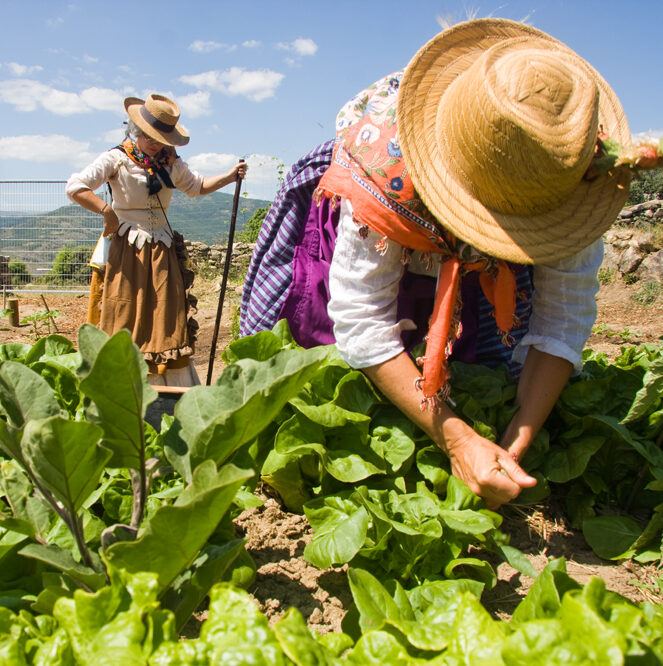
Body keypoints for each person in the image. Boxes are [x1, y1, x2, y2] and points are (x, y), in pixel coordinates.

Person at [240, 18, 663, 509]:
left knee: (478, 365)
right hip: (385, 215)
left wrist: (517, 437)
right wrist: (459, 442)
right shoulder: (384, 167)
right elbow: (361, 318)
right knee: (327, 362)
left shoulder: (565, 172)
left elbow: (561, 319)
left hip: (477, 240)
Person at [66, 94, 247, 386]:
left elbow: (197, 186)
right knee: (124, 310)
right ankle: (123, 381)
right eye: (151, 137)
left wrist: (229, 177)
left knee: (165, 314)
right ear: (136, 131)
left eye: (162, 138)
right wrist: (105, 210)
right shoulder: (117, 158)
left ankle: (168, 387)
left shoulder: (171, 163)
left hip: (162, 249)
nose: (156, 144)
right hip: (125, 248)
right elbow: (75, 186)